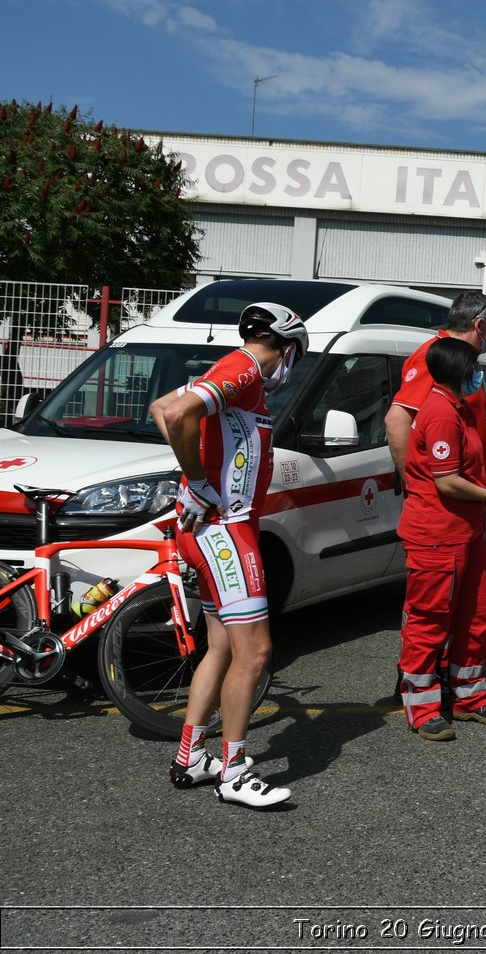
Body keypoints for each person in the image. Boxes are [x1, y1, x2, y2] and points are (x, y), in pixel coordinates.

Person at [153, 301, 307, 809]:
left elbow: (161, 408)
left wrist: (194, 480)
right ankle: (235, 772)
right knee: (256, 653)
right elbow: (175, 413)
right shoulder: (243, 368)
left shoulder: (237, 377)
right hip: (226, 530)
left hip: (216, 528)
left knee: (221, 647)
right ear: (287, 349)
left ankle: (191, 756)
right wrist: (196, 481)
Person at [397, 338, 486, 741]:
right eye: (475, 369)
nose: (479, 376)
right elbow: (447, 481)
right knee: (430, 620)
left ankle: (469, 697)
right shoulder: (439, 412)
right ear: (458, 371)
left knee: (476, 614)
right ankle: (422, 707)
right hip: (437, 533)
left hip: (463, 532)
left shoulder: (459, 409)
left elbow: (463, 468)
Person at [385, 291, 486, 471]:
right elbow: (397, 420)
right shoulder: (435, 357)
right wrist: (413, 481)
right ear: (478, 325)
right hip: (440, 491)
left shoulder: (459, 358)